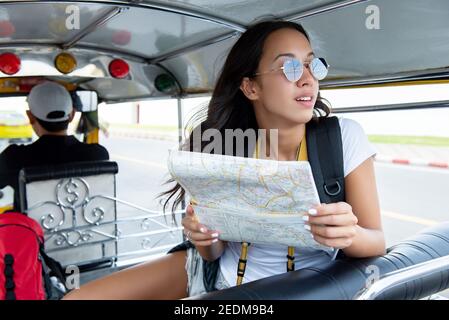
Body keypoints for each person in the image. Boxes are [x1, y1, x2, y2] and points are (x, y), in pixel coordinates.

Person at [63, 19, 385, 300]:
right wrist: (205, 237)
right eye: (289, 67)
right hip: (216, 278)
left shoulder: (343, 138)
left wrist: (349, 234)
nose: (307, 79)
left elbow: (377, 241)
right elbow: (214, 253)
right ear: (250, 87)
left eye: (312, 65)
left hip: (302, 289)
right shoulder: (220, 147)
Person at [0, 81, 109, 212]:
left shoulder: (14, 157)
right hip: (85, 232)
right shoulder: (98, 154)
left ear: (30, 117)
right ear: (72, 115)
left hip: (33, 232)